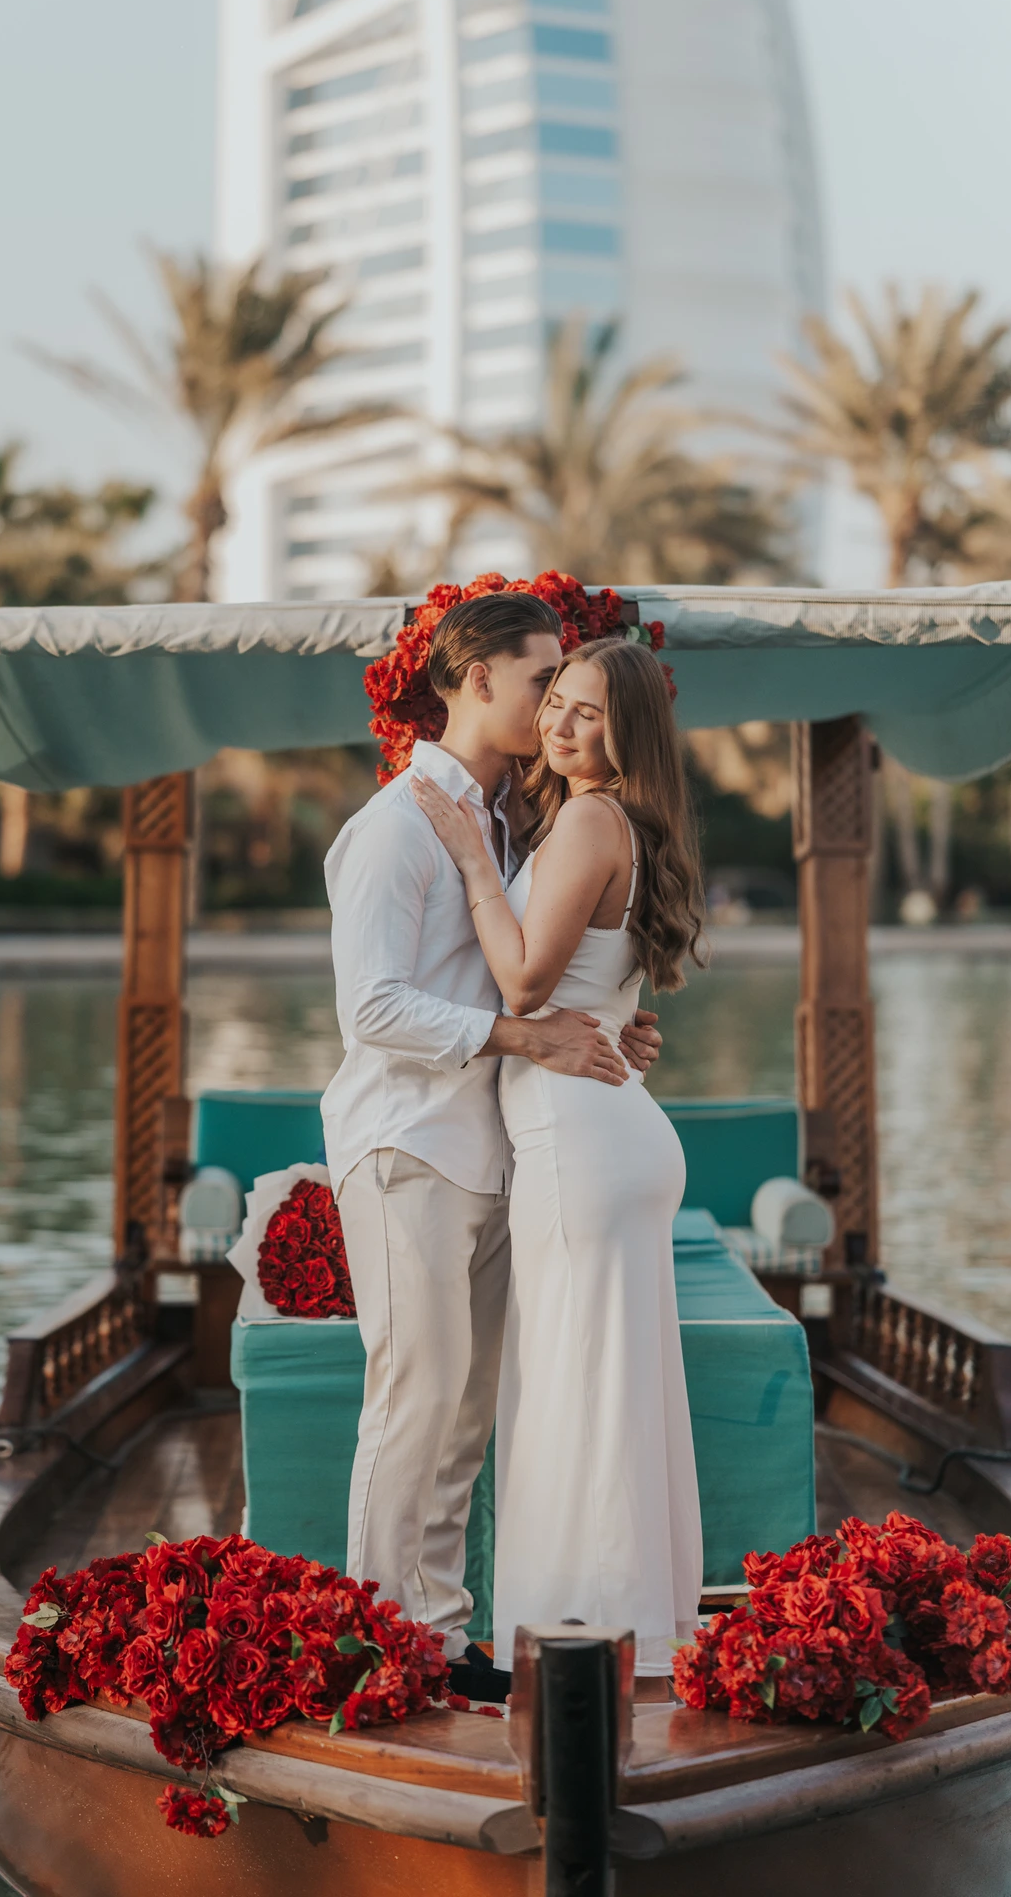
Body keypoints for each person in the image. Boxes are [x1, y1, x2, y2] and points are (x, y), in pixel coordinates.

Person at [321, 591, 663, 1702]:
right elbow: (370, 1006)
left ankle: (440, 1635)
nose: (553, 704)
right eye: (537, 684)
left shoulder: (514, 819)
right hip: (407, 1145)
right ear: (474, 684)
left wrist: (607, 1025)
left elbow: (540, 957)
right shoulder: (392, 828)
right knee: (412, 1399)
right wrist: (520, 1031)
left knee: (463, 1416)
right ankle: (378, 1641)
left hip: (499, 1149)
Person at [411, 636, 705, 1678]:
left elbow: (527, 986)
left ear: (626, 732)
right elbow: (599, 986)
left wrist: (467, 858)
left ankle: (581, 1651)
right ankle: (640, 1641)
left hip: (579, 1139)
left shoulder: (587, 816)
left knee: (571, 1399)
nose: (560, 726)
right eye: (558, 703)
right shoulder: (616, 819)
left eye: (587, 713)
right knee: (612, 1392)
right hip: (607, 1120)